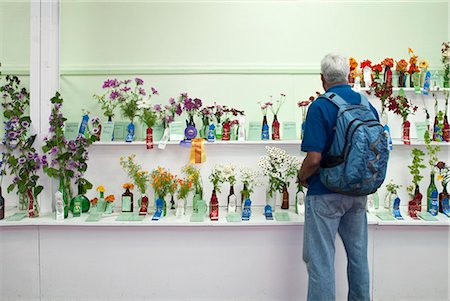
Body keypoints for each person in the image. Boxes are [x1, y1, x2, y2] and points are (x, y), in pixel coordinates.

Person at [298, 53, 379, 301]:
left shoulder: (320, 106)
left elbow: (313, 158)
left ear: (322, 79)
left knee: (321, 261)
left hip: (324, 193)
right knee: (358, 257)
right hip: (358, 193)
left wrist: (301, 176)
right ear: (350, 76)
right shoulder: (367, 105)